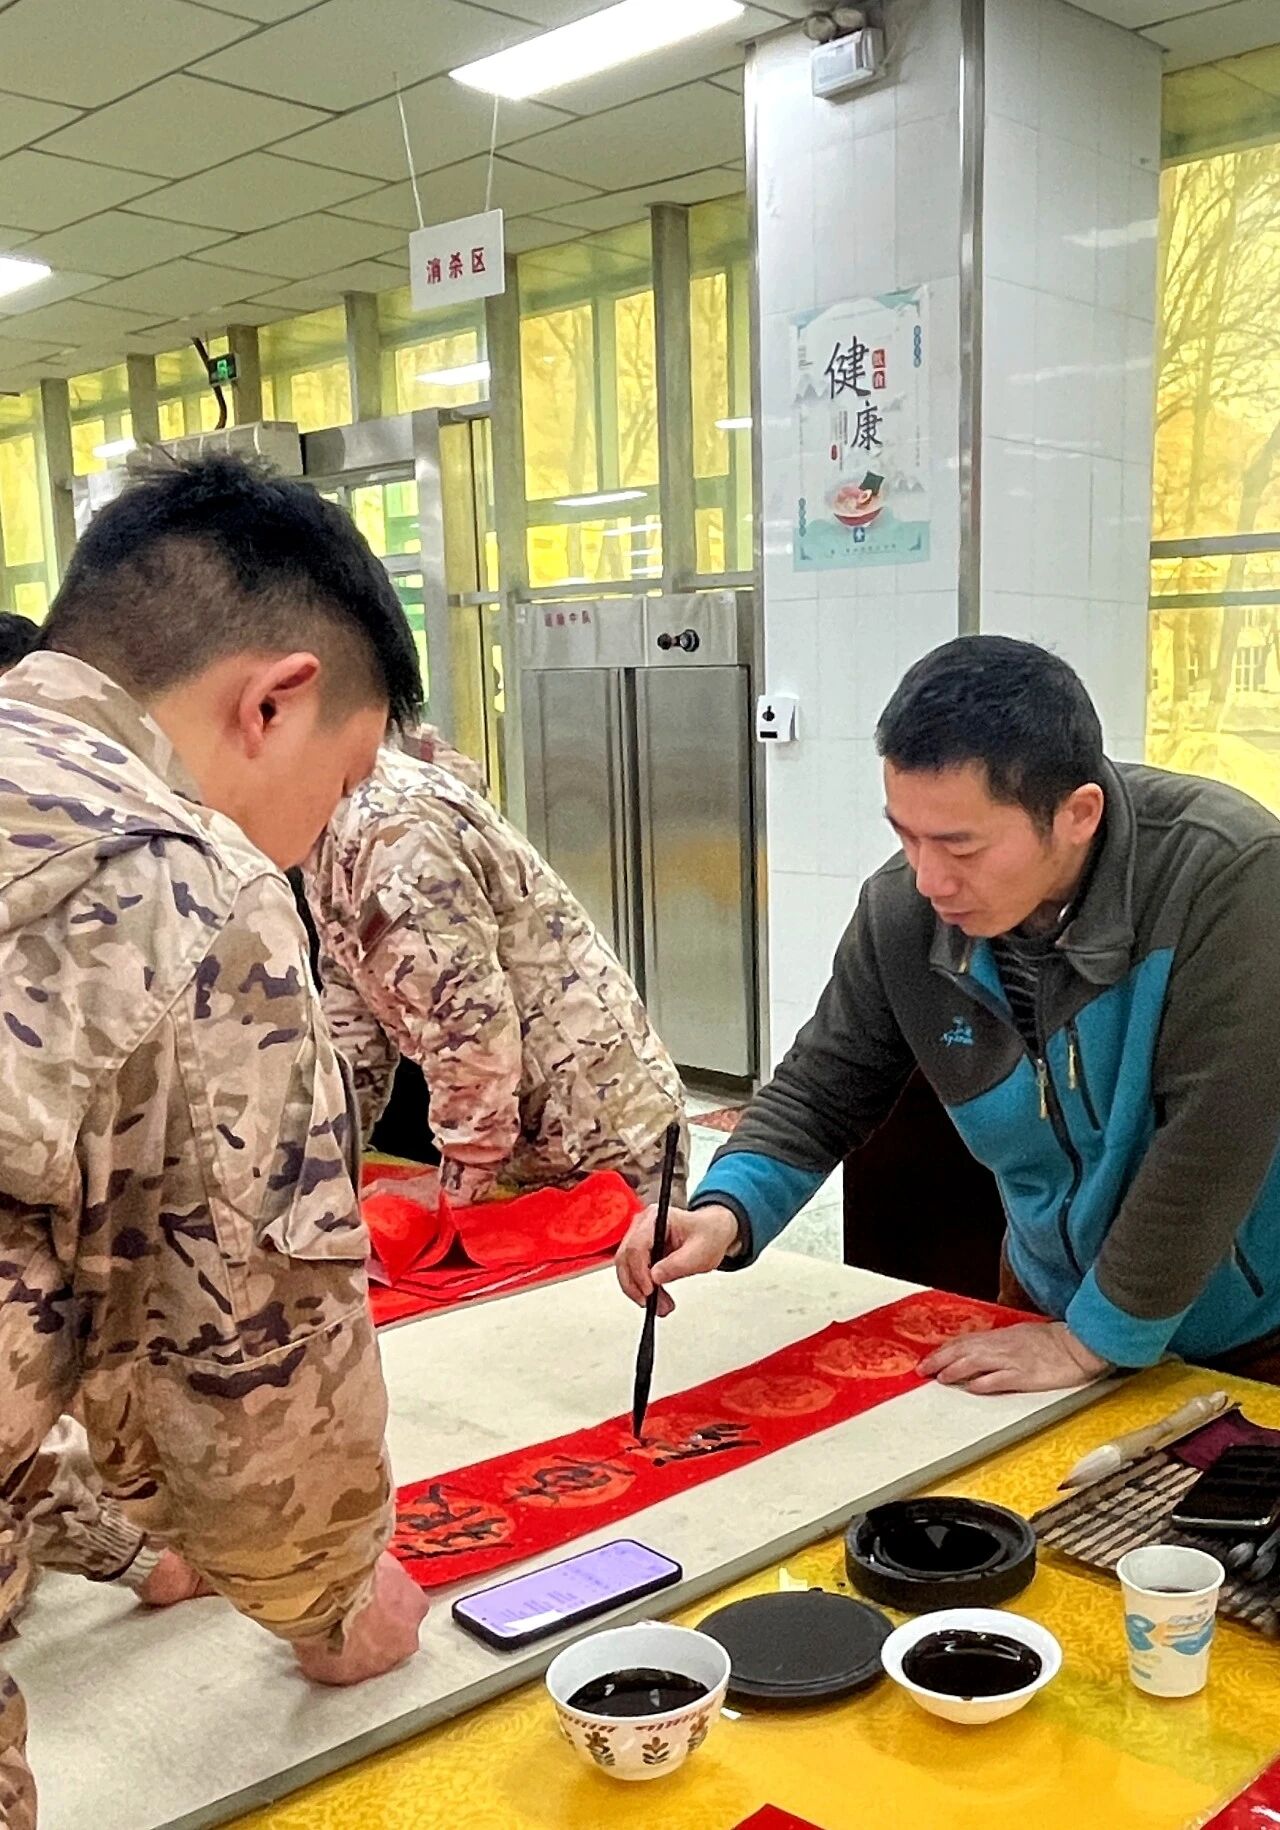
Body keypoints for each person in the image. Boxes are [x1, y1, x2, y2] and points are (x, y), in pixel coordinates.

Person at [0, 456, 431, 1830]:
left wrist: (125, 1547)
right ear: (274, 701)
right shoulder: (178, 881)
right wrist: (332, 1602)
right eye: (342, 782)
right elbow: (238, 1362)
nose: (324, 834)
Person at [618, 635, 1280, 1394]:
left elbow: (1216, 1139)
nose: (929, 879)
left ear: (1078, 814)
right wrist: (723, 1213)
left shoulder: (1229, 875)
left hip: (1247, 1325)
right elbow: (822, 1088)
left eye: (961, 847)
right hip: (1049, 1308)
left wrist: (1092, 1342)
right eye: (906, 835)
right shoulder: (901, 911)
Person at [303, 741, 687, 1207]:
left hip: (601, 1140)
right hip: (527, 1140)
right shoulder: (327, 831)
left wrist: (457, 1185)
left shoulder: (393, 833)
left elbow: (469, 1027)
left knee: (621, 1253)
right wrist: (325, 1164)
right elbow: (353, 1016)